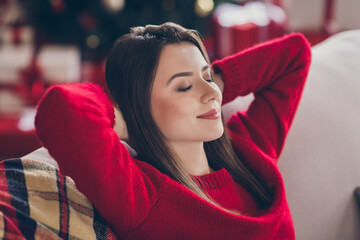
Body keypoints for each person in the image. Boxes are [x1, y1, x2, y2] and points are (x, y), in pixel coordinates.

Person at [35, 22, 311, 239]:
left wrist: (216, 84)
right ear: (141, 107)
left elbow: (295, 53)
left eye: (207, 76)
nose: (210, 93)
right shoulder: (143, 197)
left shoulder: (248, 151)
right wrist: (128, 117)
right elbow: (60, 110)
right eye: (184, 87)